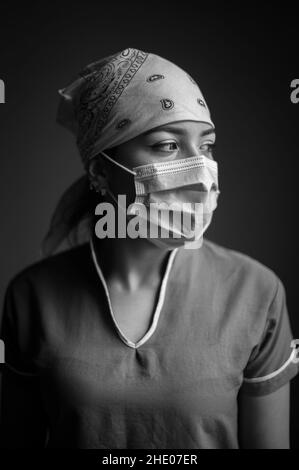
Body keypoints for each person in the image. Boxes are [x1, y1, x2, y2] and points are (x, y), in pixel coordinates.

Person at [0, 47, 298, 449]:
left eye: (206, 146)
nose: (201, 171)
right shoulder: (32, 298)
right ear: (102, 171)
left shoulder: (257, 293)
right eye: (168, 146)